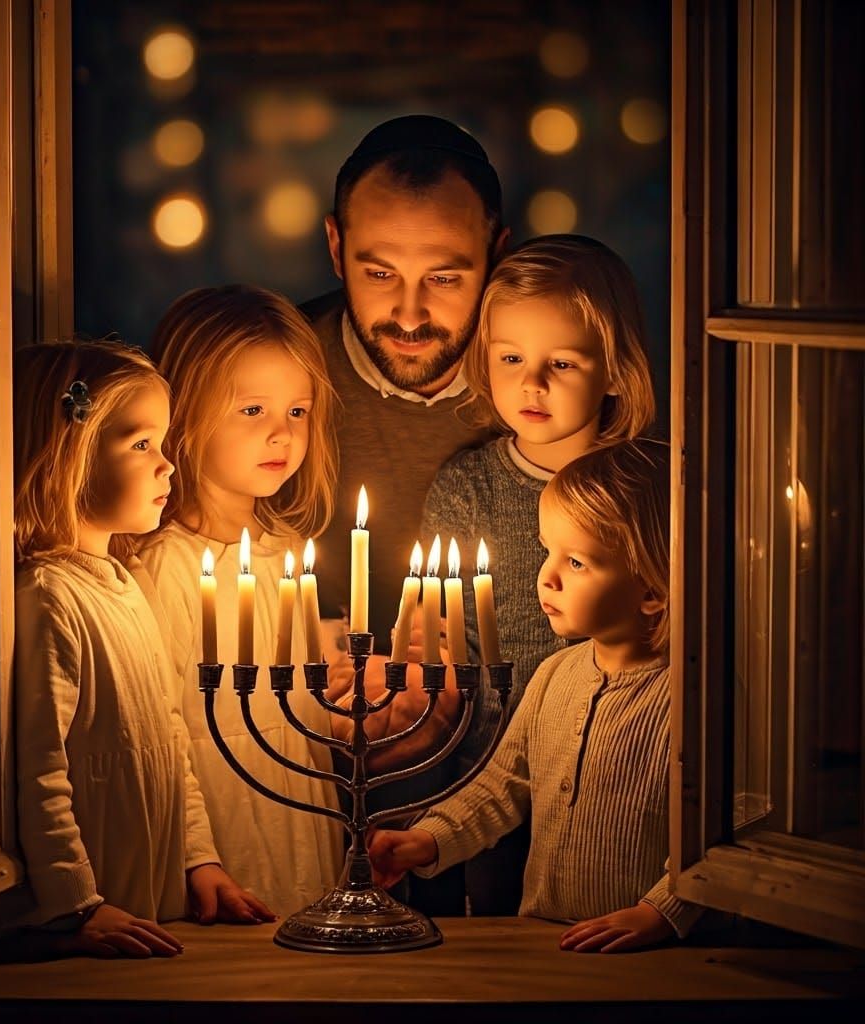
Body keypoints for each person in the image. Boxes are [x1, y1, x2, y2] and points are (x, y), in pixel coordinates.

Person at [370, 439, 702, 951]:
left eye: (577, 563)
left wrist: (660, 911)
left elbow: (732, 827)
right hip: (547, 941)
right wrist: (427, 839)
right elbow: (501, 786)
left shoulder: (691, 699)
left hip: (648, 956)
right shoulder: (553, 676)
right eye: (549, 549)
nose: (545, 575)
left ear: (653, 588)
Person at [301, 114, 509, 915]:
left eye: (448, 277)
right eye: (379, 272)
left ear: (498, 247)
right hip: (326, 771)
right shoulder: (281, 377)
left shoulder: (546, 376)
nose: (412, 314)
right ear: (334, 246)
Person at [419, 234, 657, 914]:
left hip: (626, 772)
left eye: (562, 362)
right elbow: (447, 649)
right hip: (491, 775)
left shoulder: (653, 490)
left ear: (613, 371)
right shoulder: (469, 487)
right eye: (511, 358)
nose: (532, 382)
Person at [13, 340, 274, 959]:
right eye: (140, 444)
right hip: (102, 906)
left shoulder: (124, 585)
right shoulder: (48, 599)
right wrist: (78, 904)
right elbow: (38, 770)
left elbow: (169, 736)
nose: (167, 466)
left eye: (162, 443)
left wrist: (197, 859)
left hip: (157, 897)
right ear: (67, 455)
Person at [140, 286, 346, 920]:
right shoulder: (161, 569)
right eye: (253, 410)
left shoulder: (288, 553)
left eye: (298, 411)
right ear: (186, 411)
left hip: (305, 837)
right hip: (224, 857)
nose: (282, 434)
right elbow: (161, 739)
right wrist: (198, 856)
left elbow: (297, 714)